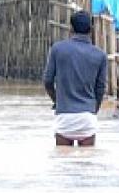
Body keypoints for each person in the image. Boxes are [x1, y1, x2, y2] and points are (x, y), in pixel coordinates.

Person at [43, 11, 108, 146]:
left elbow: (48, 81)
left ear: (71, 28)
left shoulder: (57, 49)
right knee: (87, 164)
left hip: (64, 116)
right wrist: (93, 109)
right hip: (87, 117)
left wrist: (57, 101)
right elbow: (100, 88)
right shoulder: (100, 55)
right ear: (91, 29)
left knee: (63, 164)